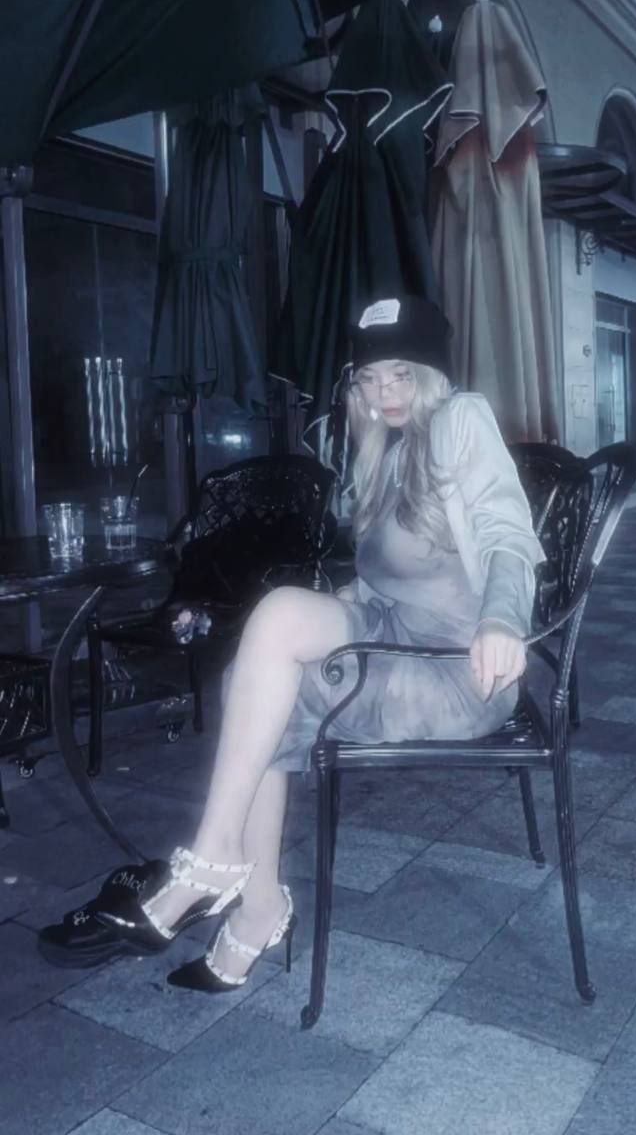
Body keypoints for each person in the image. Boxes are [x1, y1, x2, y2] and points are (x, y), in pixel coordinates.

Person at [99, 296, 545, 993]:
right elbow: (382, 581)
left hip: (459, 669)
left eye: (401, 375)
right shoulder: (381, 448)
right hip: (393, 637)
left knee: (266, 684)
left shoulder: (461, 419)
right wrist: (324, 610)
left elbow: (506, 532)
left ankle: (234, 883)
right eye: (368, 379)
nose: (384, 392)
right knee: (257, 662)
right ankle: (249, 894)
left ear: (430, 374)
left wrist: (502, 620)